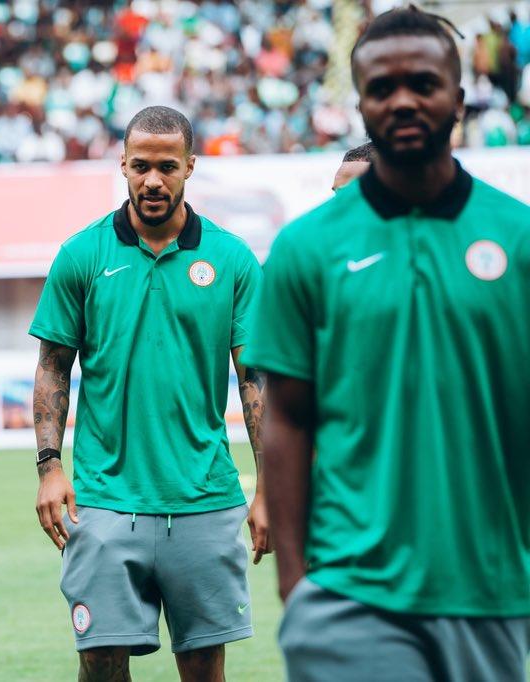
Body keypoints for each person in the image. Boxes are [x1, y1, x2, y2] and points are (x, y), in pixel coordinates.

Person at [245, 7, 530, 680]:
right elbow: (286, 416)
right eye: (381, 87)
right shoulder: (306, 248)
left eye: (423, 83)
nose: (402, 100)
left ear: (458, 99)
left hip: (488, 593)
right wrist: (296, 582)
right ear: (362, 102)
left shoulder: (517, 239)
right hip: (349, 594)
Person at [30, 105, 270, 682]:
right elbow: (53, 367)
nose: (153, 181)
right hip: (106, 500)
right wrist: (48, 466)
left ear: (190, 166)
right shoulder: (82, 254)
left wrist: (271, 485)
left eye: (167, 167)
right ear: (122, 165)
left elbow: (256, 379)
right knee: (101, 660)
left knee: (203, 663)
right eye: (140, 167)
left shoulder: (232, 257)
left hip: (206, 498)